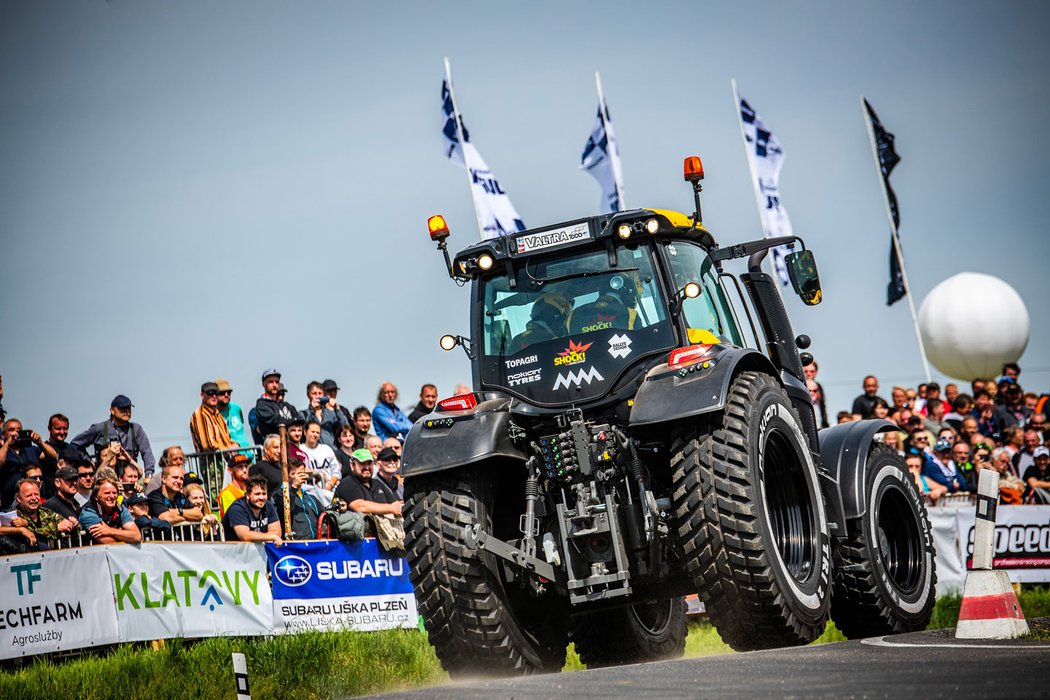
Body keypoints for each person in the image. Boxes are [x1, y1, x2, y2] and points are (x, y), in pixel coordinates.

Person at [70, 395, 156, 478]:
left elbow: (147, 453)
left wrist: (149, 474)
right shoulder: (100, 428)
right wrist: (89, 462)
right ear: (112, 410)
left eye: (128, 408)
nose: (126, 411)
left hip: (129, 480)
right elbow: (75, 444)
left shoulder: (136, 429)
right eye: (122, 409)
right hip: (105, 480)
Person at [2, 479, 77, 550]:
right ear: (18, 498)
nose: (34, 498)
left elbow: (72, 526)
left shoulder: (46, 512)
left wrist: (72, 523)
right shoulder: (13, 515)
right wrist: (20, 529)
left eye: (36, 494)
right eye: (29, 495)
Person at [0, 417, 57, 508]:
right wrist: (7, 443)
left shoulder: (31, 450)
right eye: (12, 430)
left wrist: (40, 443)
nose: (16, 433)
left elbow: (53, 456)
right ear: (3, 435)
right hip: (11, 504)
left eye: (19, 430)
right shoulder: (3, 452)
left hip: (37, 502)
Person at [333, 449, 403, 516]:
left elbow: (395, 504)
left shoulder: (377, 483)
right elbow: (360, 506)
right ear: (352, 465)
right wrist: (391, 508)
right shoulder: (347, 483)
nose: (367, 467)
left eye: (369, 463)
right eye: (362, 463)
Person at [78, 478, 142, 544]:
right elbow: (111, 542)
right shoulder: (88, 513)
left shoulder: (120, 508)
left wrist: (109, 530)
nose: (112, 496)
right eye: (107, 493)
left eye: (114, 493)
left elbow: (137, 537)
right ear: (96, 497)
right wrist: (124, 533)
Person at [222, 477, 283, 545]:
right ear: (247, 495)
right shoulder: (237, 508)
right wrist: (270, 537)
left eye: (264, 493)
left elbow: (277, 533)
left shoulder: (268, 506)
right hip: (232, 551)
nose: (261, 498)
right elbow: (245, 536)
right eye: (257, 494)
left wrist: (271, 537)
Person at [271, 459, 322, 539]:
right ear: (286, 475)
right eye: (294, 474)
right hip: (294, 545)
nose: (298, 477)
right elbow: (284, 512)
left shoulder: (310, 497)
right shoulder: (278, 495)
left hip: (315, 544)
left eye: (301, 473)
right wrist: (294, 487)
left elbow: (324, 515)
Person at [190, 381, 240, 453]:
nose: (214, 396)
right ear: (202, 396)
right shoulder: (200, 414)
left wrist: (236, 445)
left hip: (225, 459)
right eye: (210, 393)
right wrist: (228, 449)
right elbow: (207, 445)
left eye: (216, 393)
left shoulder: (218, 415)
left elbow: (227, 439)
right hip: (211, 462)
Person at [253, 369, 300, 444]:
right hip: (274, 446)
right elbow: (275, 422)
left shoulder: (287, 406)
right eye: (271, 382)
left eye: (277, 382)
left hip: (291, 446)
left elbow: (299, 421)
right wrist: (291, 422)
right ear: (263, 384)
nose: (274, 385)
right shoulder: (261, 405)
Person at [301, 381, 347, 448]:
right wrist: (312, 412)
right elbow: (303, 431)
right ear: (308, 395)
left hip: (332, 451)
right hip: (312, 451)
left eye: (320, 393)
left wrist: (337, 409)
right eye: (314, 393)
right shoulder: (303, 414)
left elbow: (345, 426)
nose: (317, 396)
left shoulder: (330, 413)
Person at [300, 420, 339, 489]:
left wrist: (330, 486)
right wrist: (317, 474)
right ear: (305, 432)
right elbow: (300, 473)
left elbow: (336, 471)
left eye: (317, 433)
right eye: (312, 432)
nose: (315, 435)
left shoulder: (327, 449)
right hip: (310, 490)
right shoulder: (300, 450)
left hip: (330, 490)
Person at [39, 413, 71, 497]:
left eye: (65, 429)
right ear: (49, 429)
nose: (62, 432)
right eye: (58, 429)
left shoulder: (73, 449)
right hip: (49, 495)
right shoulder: (41, 449)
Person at [215, 378, 252, 450]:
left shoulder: (236, 408)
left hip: (247, 452)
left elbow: (241, 430)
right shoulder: (212, 414)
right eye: (222, 393)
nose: (226, 395)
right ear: (214, 395)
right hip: (230, 455)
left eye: (229, 392)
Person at [218, 453, 251, 518]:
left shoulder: (249, 489)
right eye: (240, 467)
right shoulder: (227, 493)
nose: (245, 470)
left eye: (246, 466)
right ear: (230, 470)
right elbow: (233, 516)